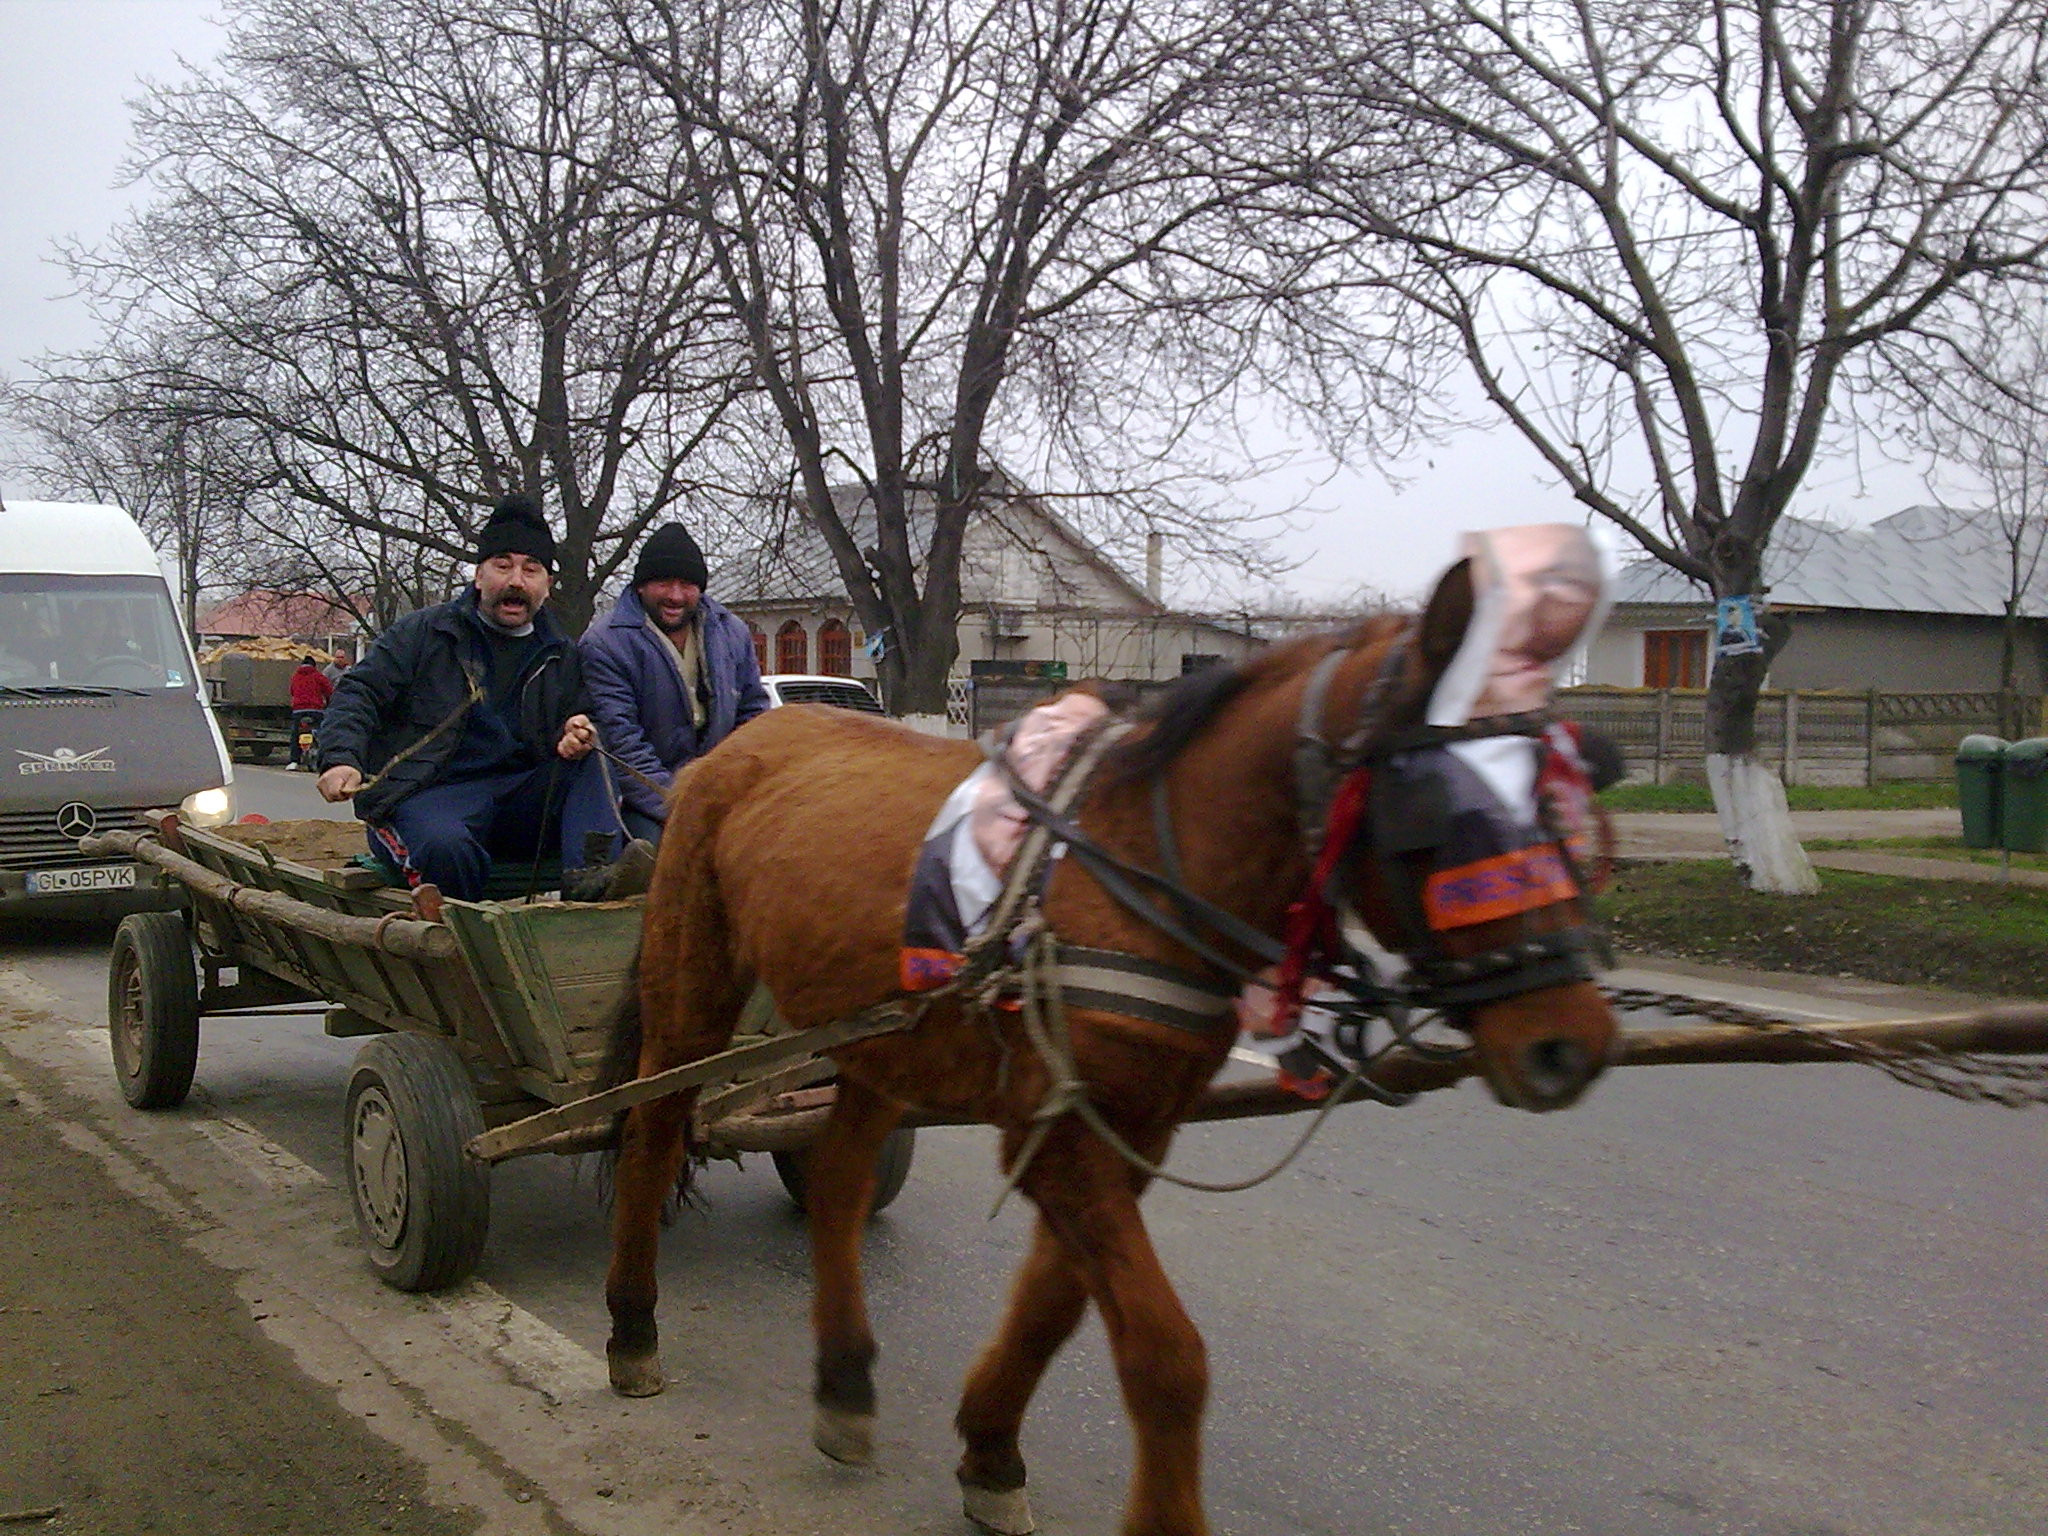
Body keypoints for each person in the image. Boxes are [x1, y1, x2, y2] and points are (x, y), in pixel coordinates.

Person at [314, 494, 609, 902]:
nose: (516, 581)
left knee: (600, 754)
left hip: (517, 801)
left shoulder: (561, 653)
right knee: (445, 849)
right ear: (478, 575)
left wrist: (577, 732)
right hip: (428, 794)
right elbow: (360, 692)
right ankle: (463, 946)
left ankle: (591, 883)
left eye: (531, 569)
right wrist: (340, 759)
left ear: (546, 585)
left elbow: (582, 715)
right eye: (502, 566)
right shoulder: (424, 634)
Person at [579, 522, 769, 848]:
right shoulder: (605, 642)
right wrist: (683, 807)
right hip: (644, 798)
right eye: (664, 583)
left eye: (687, 585)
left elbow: (754, 715)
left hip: (721, 793)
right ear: (641, 586)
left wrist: (731, 791)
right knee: (659, 857)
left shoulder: (732, 631)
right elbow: (622, 744)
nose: (675, 596)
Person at [284, 655, 334, 770]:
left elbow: (292, 691)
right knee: (322, 734)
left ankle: (294, 761)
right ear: (314, 666)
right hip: (315, 710)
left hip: (298, 710)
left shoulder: (295, 676)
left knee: (295, 734)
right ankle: (322, 758)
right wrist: (328, 702)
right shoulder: (318, 676)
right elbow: (329, 691)